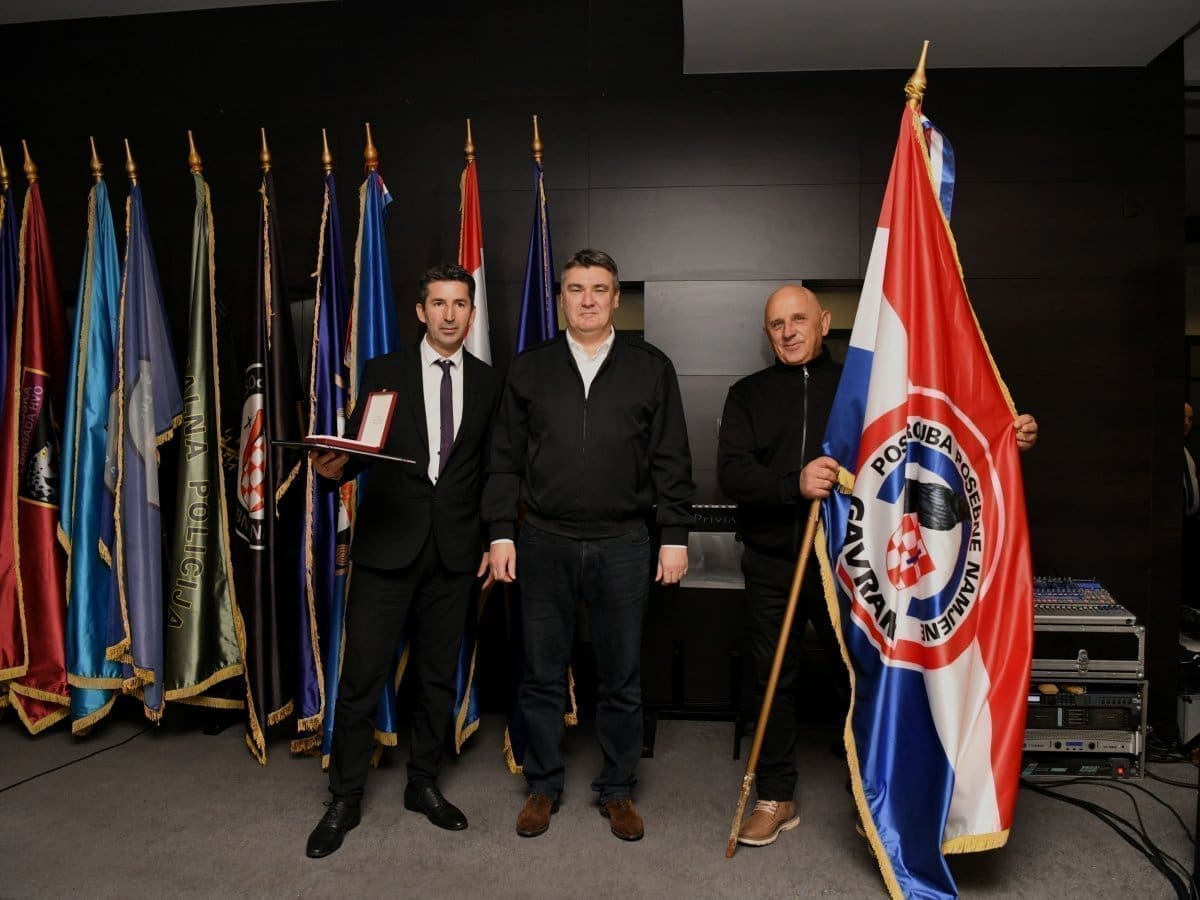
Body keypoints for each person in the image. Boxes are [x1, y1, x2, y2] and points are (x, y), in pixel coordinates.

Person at [717, 285, 1038, 848]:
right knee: (772, 678)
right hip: (775, 562)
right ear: (766, 334)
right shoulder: (747, 394)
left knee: (865, 676)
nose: (788, 332)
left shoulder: (865, 385)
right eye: (776, 324)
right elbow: (732, 474)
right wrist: (793, 483)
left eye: (798, 319)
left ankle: (871, 796)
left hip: (855, 565)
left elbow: (930, 434)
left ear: (824, 322)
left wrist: (1000, 436)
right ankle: (776, 795)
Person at [483, 248, 694, 842]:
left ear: (616, 298)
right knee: (541, 672)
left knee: (621, 674)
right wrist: (500, 530)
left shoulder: (651, 367)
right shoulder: (530, 368)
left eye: (599, 289)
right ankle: (543, 785)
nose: (587, 300)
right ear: (560, 300)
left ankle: (618, 787)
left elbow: (672, 458)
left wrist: (674, 536)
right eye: (576, 289)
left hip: (624, 541)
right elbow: (503, 458)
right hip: (542, 540)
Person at [305, 264, 502, 859]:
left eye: (460, 304)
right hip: (387, 550)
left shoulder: (490, 382)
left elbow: (494, 470)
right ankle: (344, 798)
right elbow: (362, 447)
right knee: (362, 677)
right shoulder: (383, 371)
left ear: (471, 313)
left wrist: (494, 538)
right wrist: (335, 467)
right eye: (438, 303)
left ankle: (424, 784)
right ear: (421, 311)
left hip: (454, 553)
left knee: (437, 677)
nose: (449, 314)